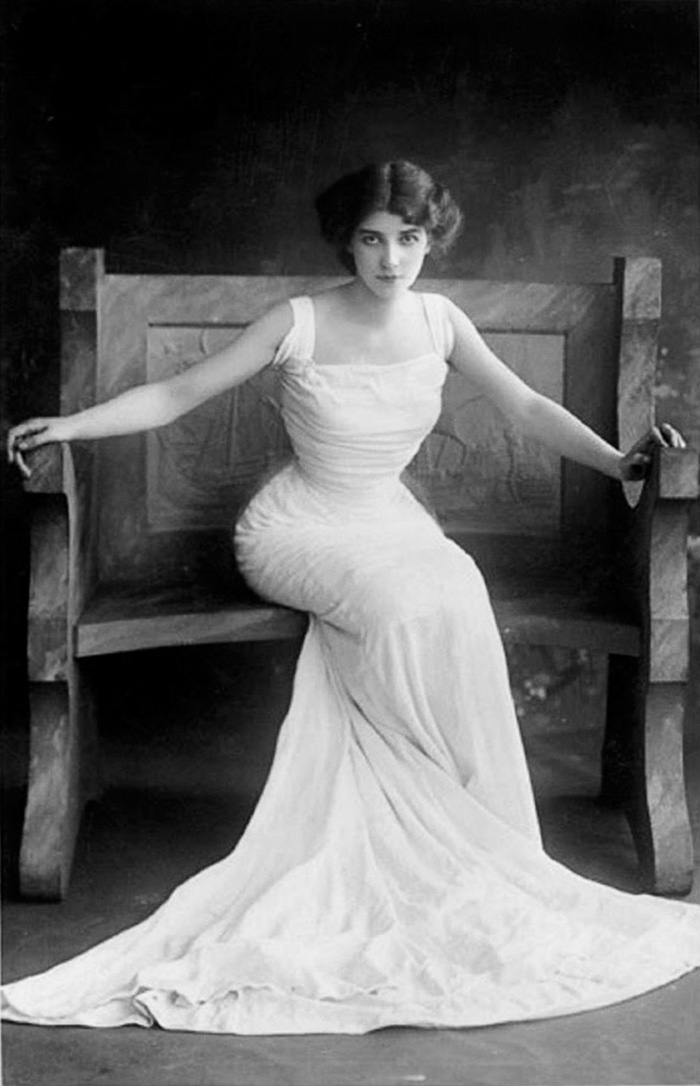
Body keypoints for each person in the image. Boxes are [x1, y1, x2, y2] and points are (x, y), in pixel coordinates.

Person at [3, 160, 699, 1034]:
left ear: (429, 240)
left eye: (408, 239)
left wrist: (620, 461)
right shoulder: (297, 322)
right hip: (296, 530)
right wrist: (68, 425)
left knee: (455, 586)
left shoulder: (440, 321)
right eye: (372, 239)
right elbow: (180, 394)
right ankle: (426, 824)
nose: (391, 259)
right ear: (348, 242)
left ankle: (473, 839)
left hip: (391, 521)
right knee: (405, 604)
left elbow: (524, 405)